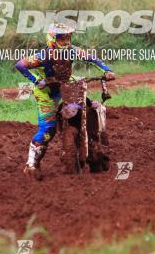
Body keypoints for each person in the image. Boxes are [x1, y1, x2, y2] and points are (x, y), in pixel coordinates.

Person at [15, 22, 115, 178]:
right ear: (52, 40)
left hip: (67, 85)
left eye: (69, 38)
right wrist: (36, 80)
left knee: (89, 106)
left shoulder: (73, 51)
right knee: (48, 129)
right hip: (47, 93)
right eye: (62, 39)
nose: (67, 43)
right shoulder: (43, 56)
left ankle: (94, 144)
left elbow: (92, 58)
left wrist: (108, 71)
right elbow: (20, 64)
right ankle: (32, 164)